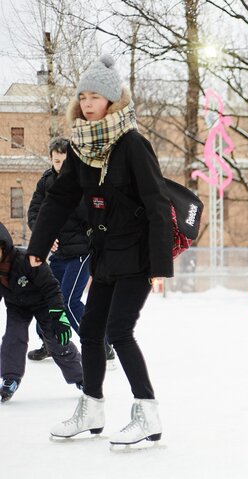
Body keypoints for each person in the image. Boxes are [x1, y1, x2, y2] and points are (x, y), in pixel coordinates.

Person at [27, 54, 173, 446]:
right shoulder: (81, 147)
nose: (88, 103)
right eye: (83, 97)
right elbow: (59, 199)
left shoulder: (132, 145)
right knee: (91, 331)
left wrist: (159, 263)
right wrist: (38, 246)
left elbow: (158, 203)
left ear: (112, 100)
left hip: (138, 252)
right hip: (105, 252)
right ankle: (91, 406)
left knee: (119, 330)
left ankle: (147, 413)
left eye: (95, 96)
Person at [26, 137, 117, 368]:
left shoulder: (83, 181)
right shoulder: (46, 181)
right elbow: (35, 212)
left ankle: (100, 342)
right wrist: (45, 237)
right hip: (59, 254)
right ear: (51, 160)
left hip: (81, 252)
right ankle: (50, 342)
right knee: (47, 298)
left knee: (68, 301)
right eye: (57, 161)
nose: (61, 166)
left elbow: (93, 215)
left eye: (65, 161)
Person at [0, 222, 83, 402]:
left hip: (43, 304)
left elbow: (51, 287)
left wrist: (59, 317)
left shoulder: (26, 260)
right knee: (13, 337)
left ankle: (82, 377)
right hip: (16, 306)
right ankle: (10, 379)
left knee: (55, 340)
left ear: (4, 246)